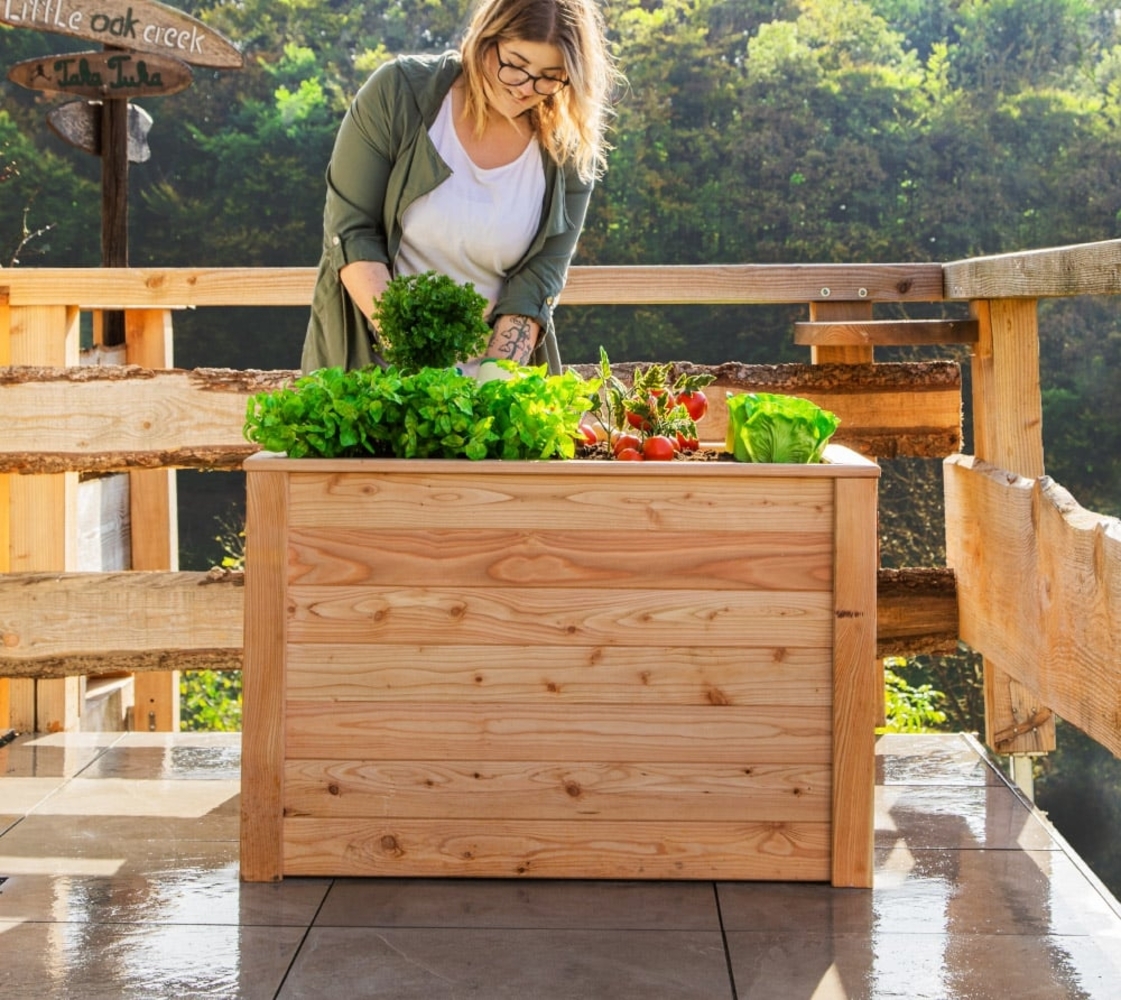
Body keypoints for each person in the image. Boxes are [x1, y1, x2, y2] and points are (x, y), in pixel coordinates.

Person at [300, 0, 618, 376]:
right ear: (486, 38)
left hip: (493, 374)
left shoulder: (567, 150)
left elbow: (540, 276)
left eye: (550, 75)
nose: (526, 88)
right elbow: (351, 234)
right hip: (375, 369)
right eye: (515, 65)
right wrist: (420, 369)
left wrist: (491, 387)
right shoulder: (397, 94)